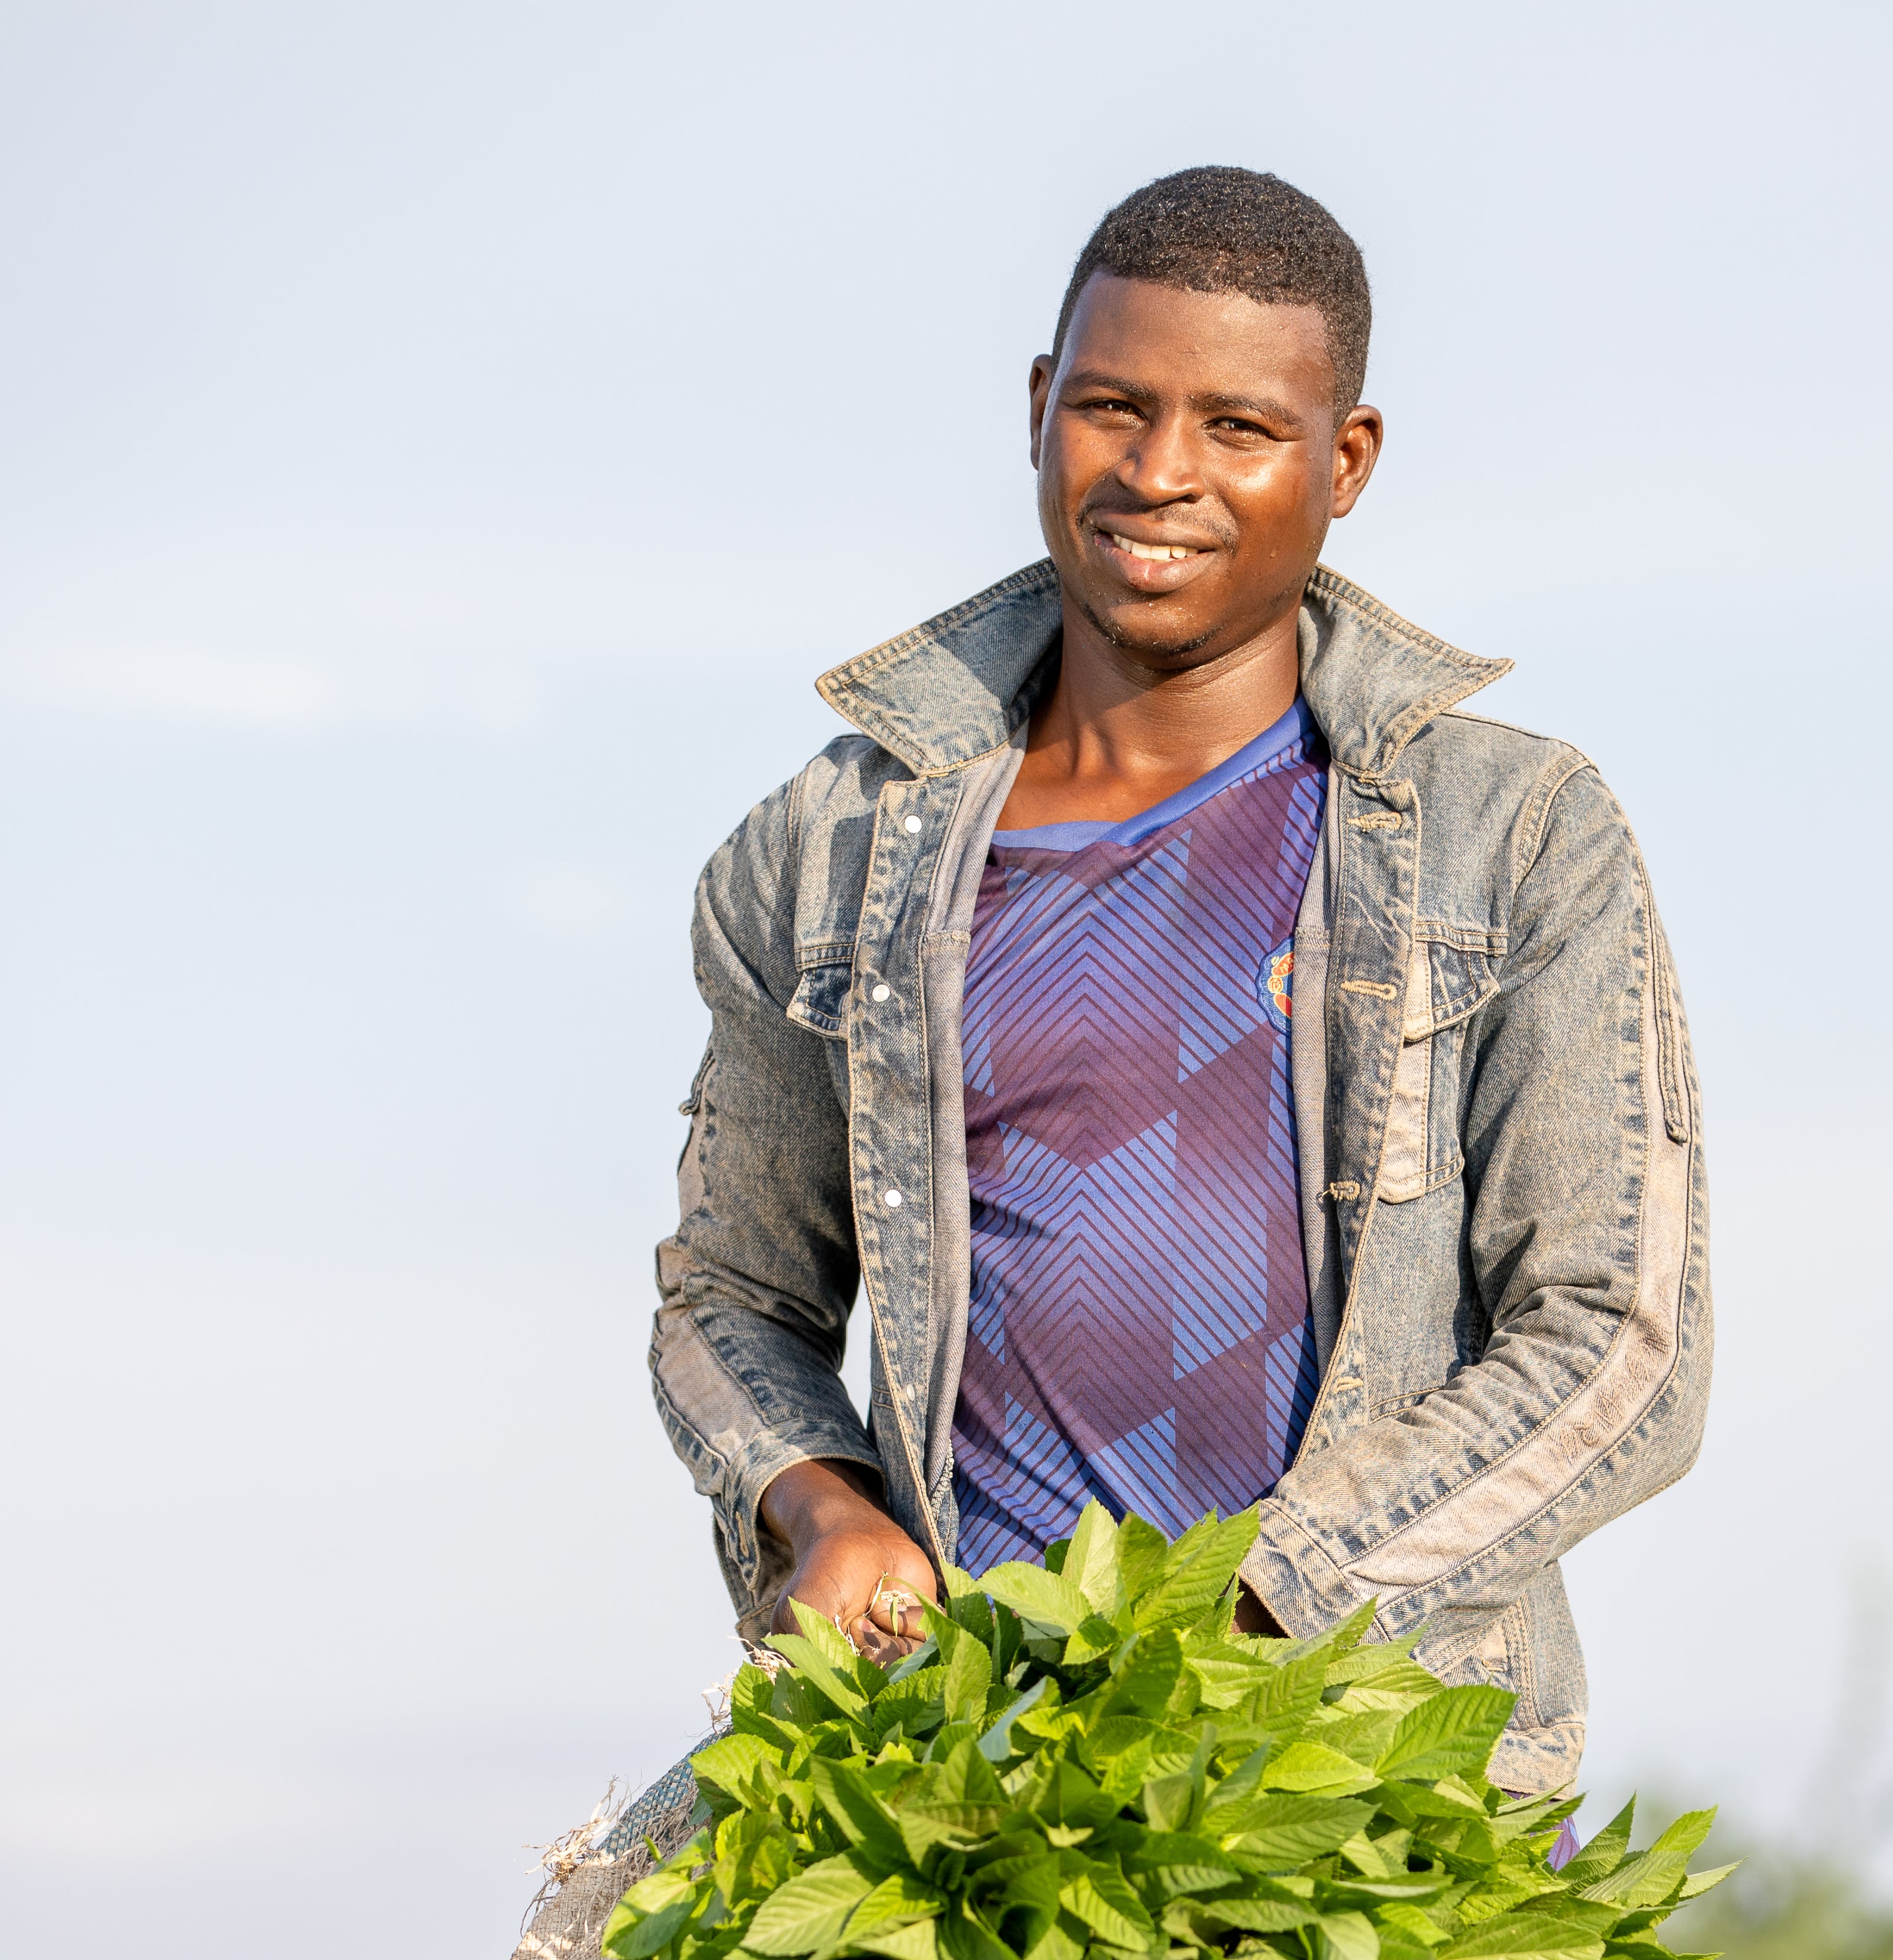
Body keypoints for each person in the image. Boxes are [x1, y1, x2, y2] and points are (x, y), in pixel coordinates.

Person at [649, 166, 1707, 1799]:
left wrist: (1261, 1608)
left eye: (1238, 428)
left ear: (1343, 462)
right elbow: (731, 1303)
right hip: (948, 1780)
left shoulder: (1514, 837)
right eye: (1115, 408)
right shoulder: (829, 850)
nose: (1159, 475)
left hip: (1364, 1780)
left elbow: (1622, 1345)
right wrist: (820, 1503)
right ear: (1036, 410)